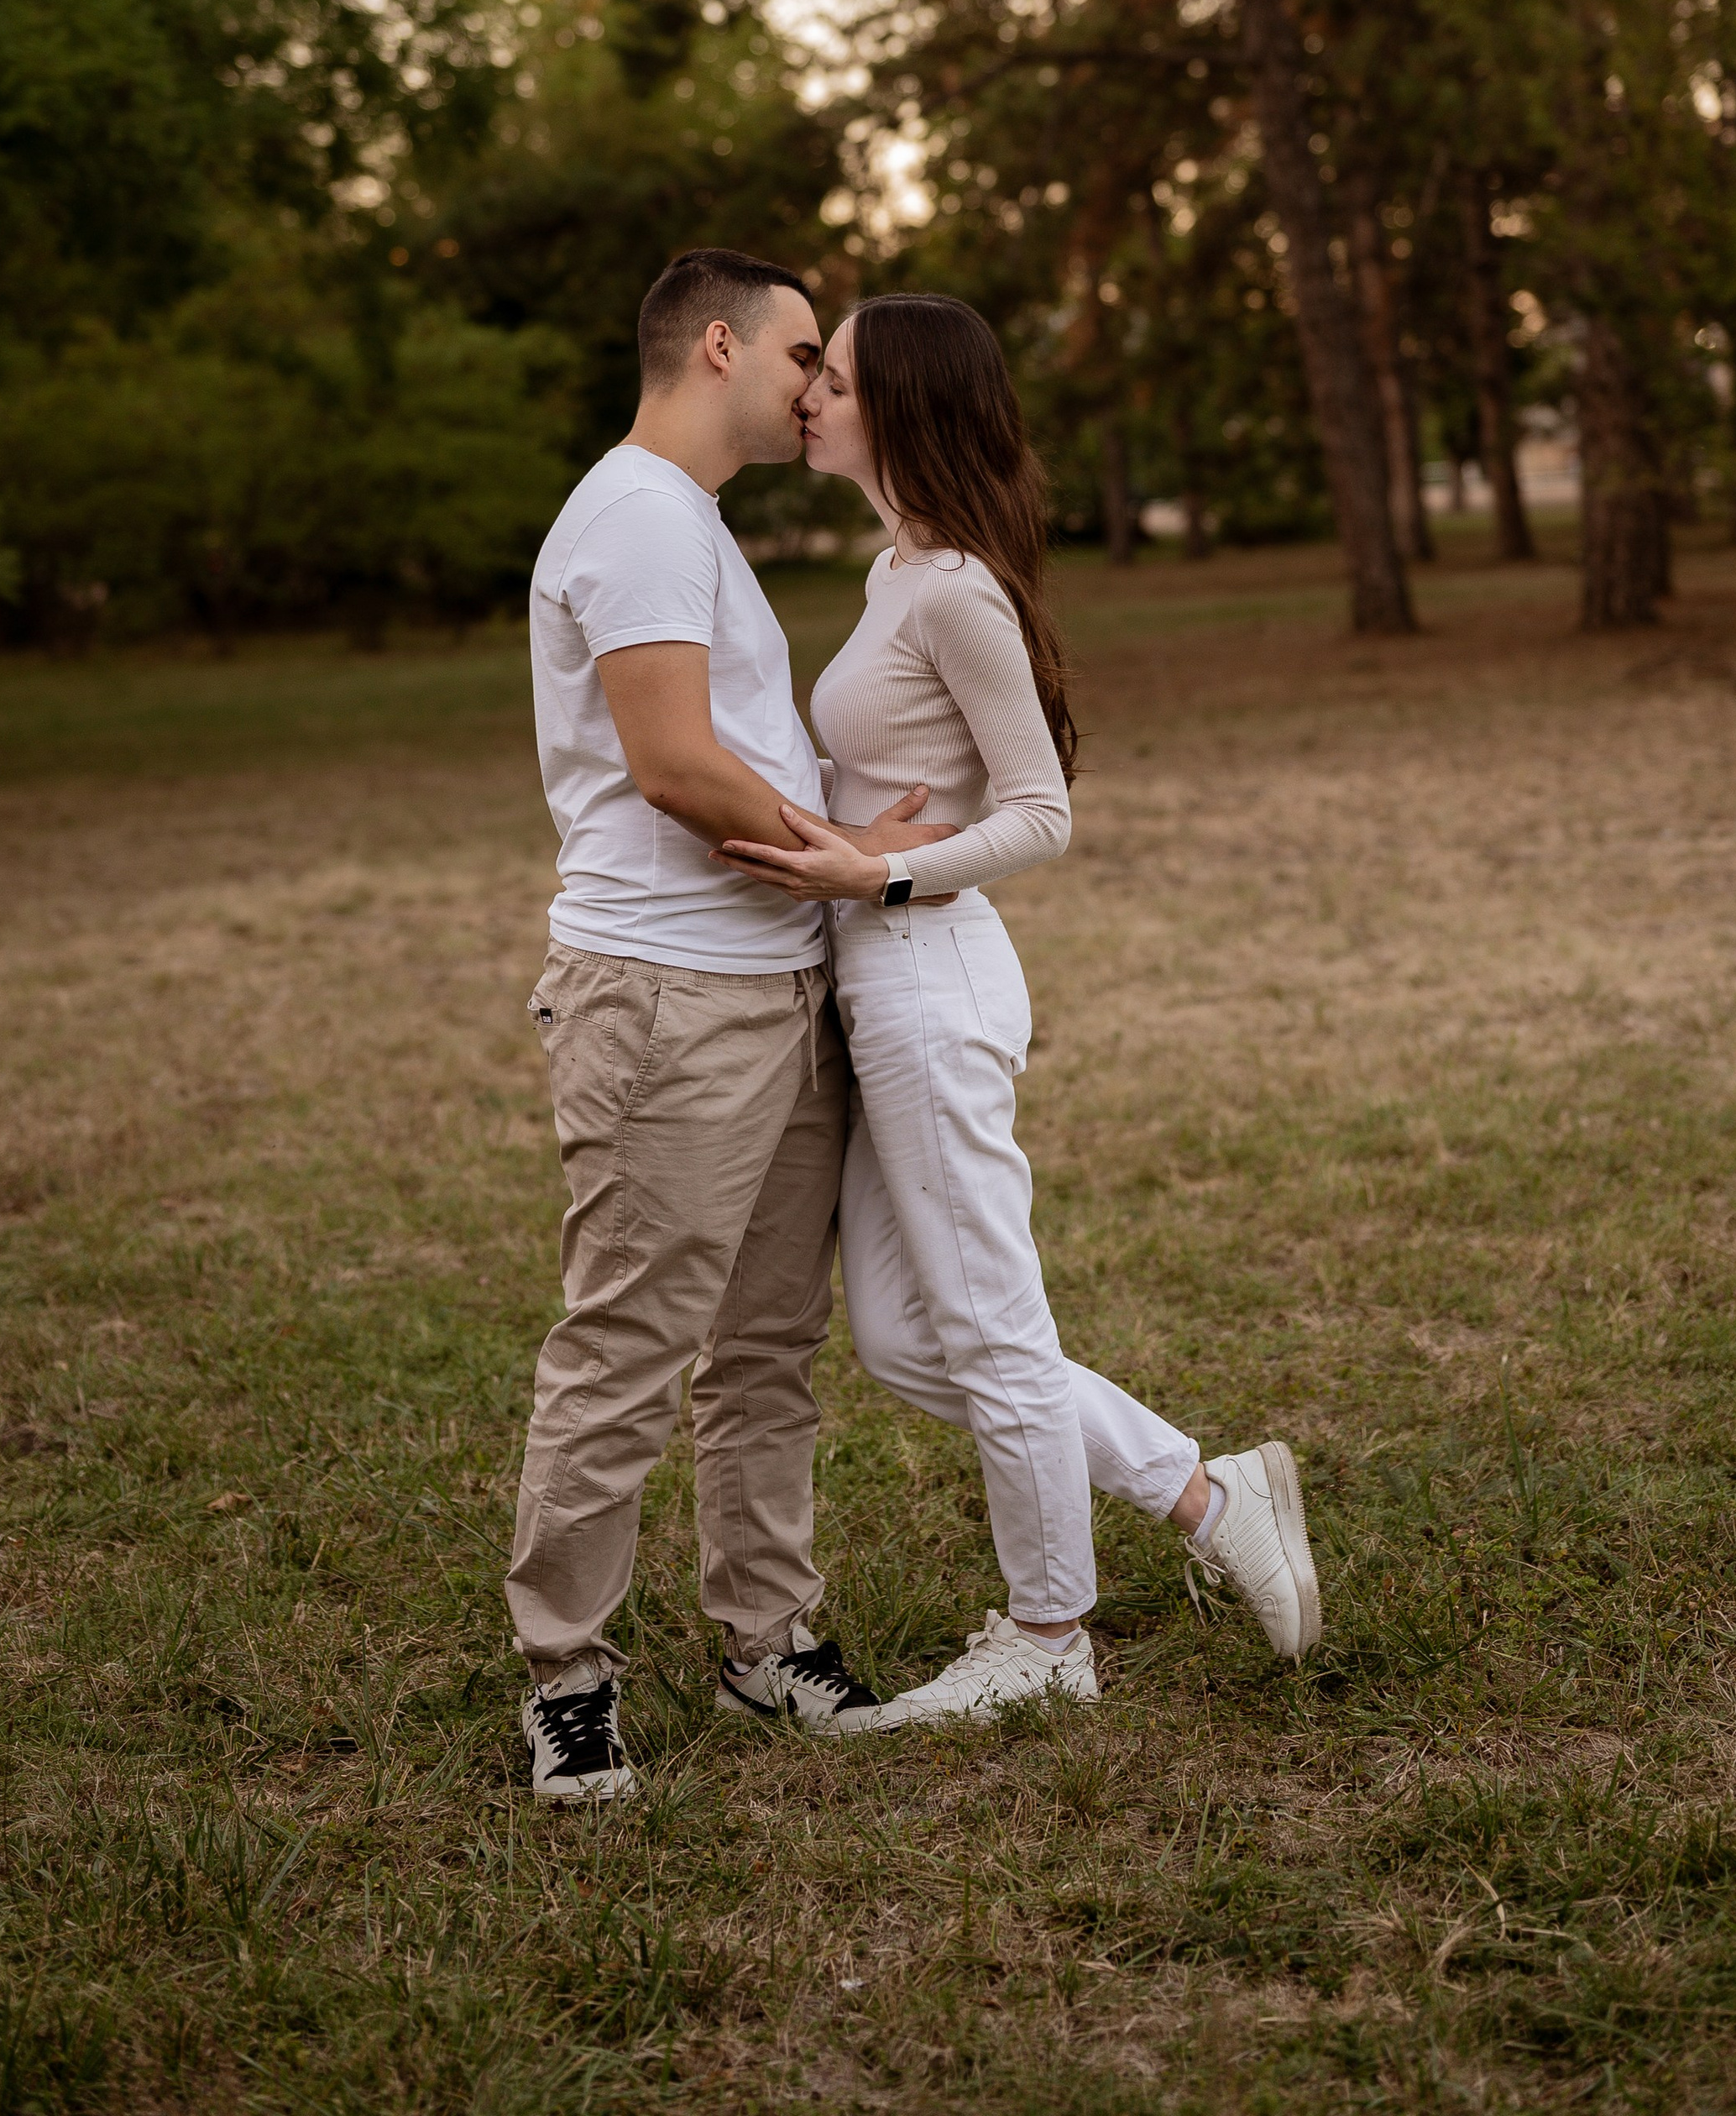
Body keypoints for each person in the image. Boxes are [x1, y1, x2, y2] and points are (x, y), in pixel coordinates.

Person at [718, 293, 1322, 1730]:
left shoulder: (957, 592)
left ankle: (1050, 1638)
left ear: (905, 407)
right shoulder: (894, 574)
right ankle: (1199, 1485)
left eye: (839, 377)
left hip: (932, 983)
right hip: (884, 981)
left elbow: (1042, 813)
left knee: (989, 1331)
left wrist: (887, 867)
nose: (810, 391)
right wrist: (857, 834)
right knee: (906, 1344)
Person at [508, 248, 951, 1803]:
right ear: (717, 346)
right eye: (800, 354)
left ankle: (769, 1641)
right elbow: (672, 766)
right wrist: (834, 855)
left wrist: (844, 819)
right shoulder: (634, 515)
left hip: (779, 986)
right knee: (629, 1341)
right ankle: (568, 1679)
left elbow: (735, 747)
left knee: (766, 1349)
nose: (817, 385)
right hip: (668, 1000)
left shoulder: (689, 525)